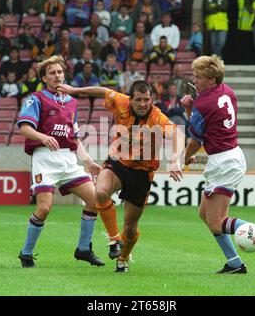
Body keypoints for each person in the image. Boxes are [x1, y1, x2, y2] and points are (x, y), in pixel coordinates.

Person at [59, 80, 184, 273]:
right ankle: (114, 241)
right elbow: (102, 91)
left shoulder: (156, 117)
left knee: (131, 226)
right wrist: (76, 90)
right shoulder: (120, 101)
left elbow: (178, 135)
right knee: (100, 192)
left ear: (152, 100)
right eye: (139, 100)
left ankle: (123, 258)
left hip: (142, 173)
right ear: (130, 99)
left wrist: (174, 159)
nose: (143, 104)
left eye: (147, 100)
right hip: (118, 162)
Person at [181, 55, 255, 274]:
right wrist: (194, 109)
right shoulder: (228, 91)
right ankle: (235, 263)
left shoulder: (203, 103)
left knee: (217, 222)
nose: (195, 80)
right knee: (205, 215)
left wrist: (182, 158)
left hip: (223, 162)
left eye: (198, 77)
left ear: (211, 78)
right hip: (231, 155)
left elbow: (196, 139)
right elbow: (210, 124)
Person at [16, 55, 104, 268]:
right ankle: (26, 253)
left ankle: (83, 249)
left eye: (59, 72)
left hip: (67, 158)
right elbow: (24, 127)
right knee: (44, 208)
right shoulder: (35, 99)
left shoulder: (72, 102)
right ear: (44, 78)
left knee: (95, 201)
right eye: (52, 73)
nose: (57, 76)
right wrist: (43, 137)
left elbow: (74, 137)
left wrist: (89, 162)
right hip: (44, 158)